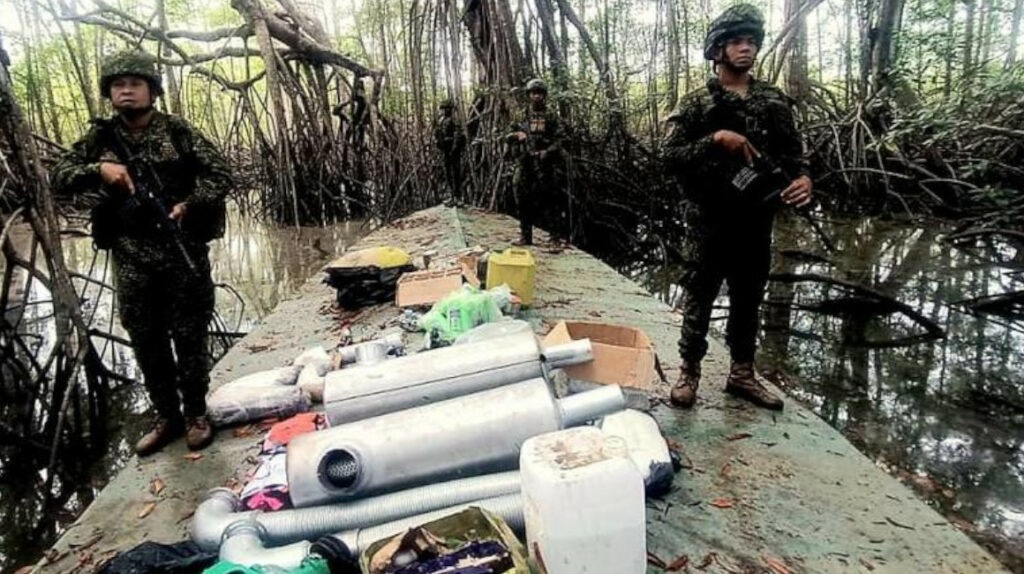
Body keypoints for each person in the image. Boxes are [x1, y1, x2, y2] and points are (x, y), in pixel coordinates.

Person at [51, 50, 233, 455]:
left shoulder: (177, 131)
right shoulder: (99, 138)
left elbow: (221, 173)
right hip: (131, 254)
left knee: (189, 335)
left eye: (135, 83)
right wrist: (99, 169)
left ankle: (196, 414)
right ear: (109, 93)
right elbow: (59, 176)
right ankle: (166, 416)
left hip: (180, 247)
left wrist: (190, 204)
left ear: (152, 90)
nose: (127, 90)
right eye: (118, 84)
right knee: (145, 337)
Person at [661, 4, 812, 411]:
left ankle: (742, 374)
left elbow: (795, 158)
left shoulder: (772, 101)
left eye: (752, 42)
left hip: (755, 221)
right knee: (700, 296)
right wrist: (715, 139)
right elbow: (668, 156)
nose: (747, 49)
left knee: (749, 297)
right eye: (737, 42)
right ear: (718, 49)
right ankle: (688, 371)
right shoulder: (696, 104)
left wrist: (803, 182)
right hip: (709, 222)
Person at [507, 78, 566, 246]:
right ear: (529, 95)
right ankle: (526, 236)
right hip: (525, 163)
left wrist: (547, 152)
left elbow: (561, 139)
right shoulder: (521, 115)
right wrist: (517, 135)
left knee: (551, 199)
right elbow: (506, 136)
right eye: (534, 93)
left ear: (544, 96)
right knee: (521, 197)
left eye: (540, 93)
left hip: (545, 164)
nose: (537, 97)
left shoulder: (551, 116)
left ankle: (554, 238)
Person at [433, 98, 466, 205]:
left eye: (445, 109)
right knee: (448, 174)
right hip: (446, 151)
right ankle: (452, 196)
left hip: (453, 152)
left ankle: (458, 197)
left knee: (455, 173)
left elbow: (457, 135)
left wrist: (454, 148)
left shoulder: (454, 120)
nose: (443, 111)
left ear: (450, 109)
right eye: (443, 109)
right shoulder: (442, 120)